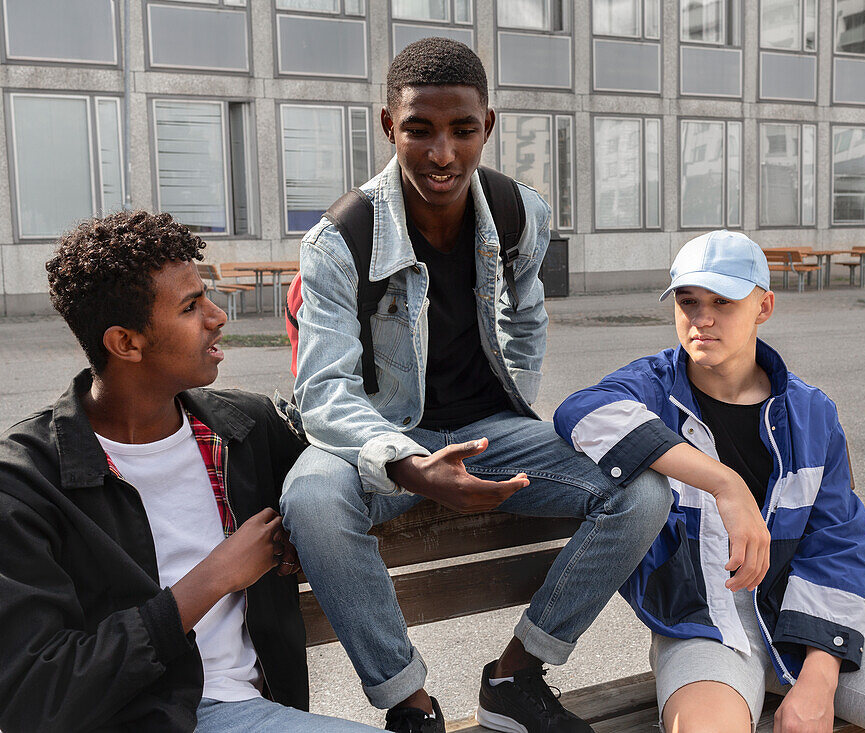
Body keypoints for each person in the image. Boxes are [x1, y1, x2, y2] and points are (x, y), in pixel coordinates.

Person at [278, 37, 693, 733]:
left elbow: (526, 319)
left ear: (487, 126)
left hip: (486, 430)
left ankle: (515, 674)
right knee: (311, 497)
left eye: (462, 130)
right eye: (419, 129)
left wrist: (518, 409)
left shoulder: (516, 212)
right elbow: (323, 394)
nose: (442, 153)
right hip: (378, 435)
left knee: (643, 485)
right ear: (389, 125)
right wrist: (410, 465)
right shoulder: (337, 241)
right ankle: (410, 706)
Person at [553, 231, 865, 733]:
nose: (702, 318)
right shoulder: (650, 389)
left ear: (764, 307)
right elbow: (580, 412)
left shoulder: (811, 412)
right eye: (688, 301)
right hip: (704, 624)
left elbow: (837, 541)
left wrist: (820, 677)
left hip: (811, 616)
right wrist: (726, 484)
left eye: (723, 301)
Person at [0, 211, 384, 733]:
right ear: (126, 343)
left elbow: (342, 477)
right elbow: (35, 692)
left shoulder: (247, 429)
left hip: (253, 711)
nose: (217, 315)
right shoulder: (26, 480)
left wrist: (308, 522)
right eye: (190, 306)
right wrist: (214, 577)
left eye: (206, 295)